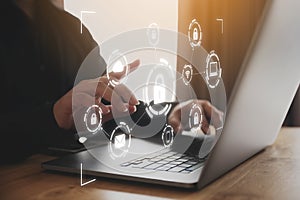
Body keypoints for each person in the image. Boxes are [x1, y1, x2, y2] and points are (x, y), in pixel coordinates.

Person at [0, 0, 221, 163]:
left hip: (77, 182)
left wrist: (169, 115)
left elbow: (112, 110)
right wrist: (53, 116)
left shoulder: (70, 29)